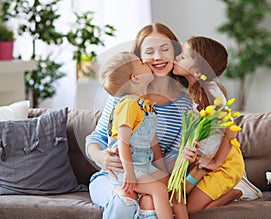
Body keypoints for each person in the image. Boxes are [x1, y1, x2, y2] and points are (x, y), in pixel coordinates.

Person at [85, 22, 193, 219]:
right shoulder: (123, 96)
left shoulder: (184, 104)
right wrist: (100, 157)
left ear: (175, 52)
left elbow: (170, 154)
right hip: (113, 177)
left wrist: (179, 164)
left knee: (151, 200)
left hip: (148, 173)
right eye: (149, 52)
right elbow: (96, 138)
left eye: (164, 49)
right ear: (139, 59)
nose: (158, 57)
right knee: (125, 198)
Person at [173, 36, 245, 212]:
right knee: (177, 202)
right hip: (201, 163)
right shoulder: (186, 89)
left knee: (190, 209)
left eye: (182, 57)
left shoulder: (212, 91)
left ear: (197, 72)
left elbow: (231, 129)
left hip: (224, 164)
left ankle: (233, 193)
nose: (176, 57)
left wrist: (216, 163)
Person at [100, 51, 173, 219]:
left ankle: (143, 210)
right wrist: (129, 173)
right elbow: (122, 142)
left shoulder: (146, 106)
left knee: (165, 184)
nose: (146, 63)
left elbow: (152, 142)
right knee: (159, 189)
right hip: (128, 168)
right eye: (141, 63)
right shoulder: (128, 105)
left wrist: (162, 170)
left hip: (144, 165)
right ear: (135, 77)